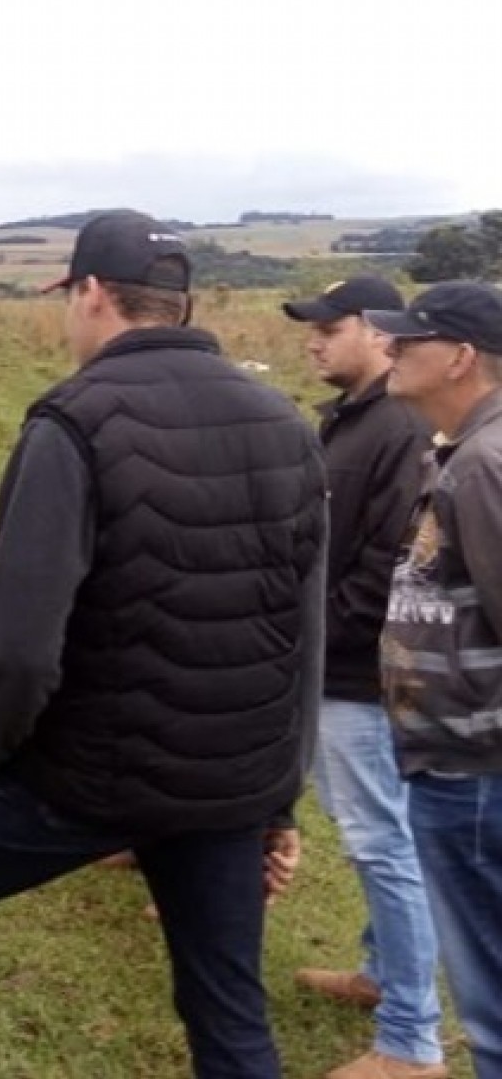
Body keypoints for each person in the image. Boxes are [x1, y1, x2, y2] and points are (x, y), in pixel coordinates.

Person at [0, 210, 326, 1079]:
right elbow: (303, 630)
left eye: (70, 297)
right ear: (180, 305)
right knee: (228, 1011)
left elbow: (22, 643)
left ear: (93, 294)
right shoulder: (285, 421)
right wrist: (277, 799)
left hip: (97, 777)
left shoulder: (74, 420)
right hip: (230, 781)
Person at [281, 276, 442, 1079]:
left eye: (330, 327)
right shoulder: (351, 421)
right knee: (386, 834)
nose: (313, 339)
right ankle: (383, 974)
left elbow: (387, 571)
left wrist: (314, 639)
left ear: (380, 334)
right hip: (337, 662)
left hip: (357, 675)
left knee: (383, 843)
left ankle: (413, 1043)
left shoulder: (402, 430)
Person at [366, 282, 502, 1079]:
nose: (389, 350)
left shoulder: (483, 466)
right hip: (459, 761)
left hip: (479, 769)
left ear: (459, 357)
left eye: (407, 341)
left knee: (490, 997)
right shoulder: (458, 450)